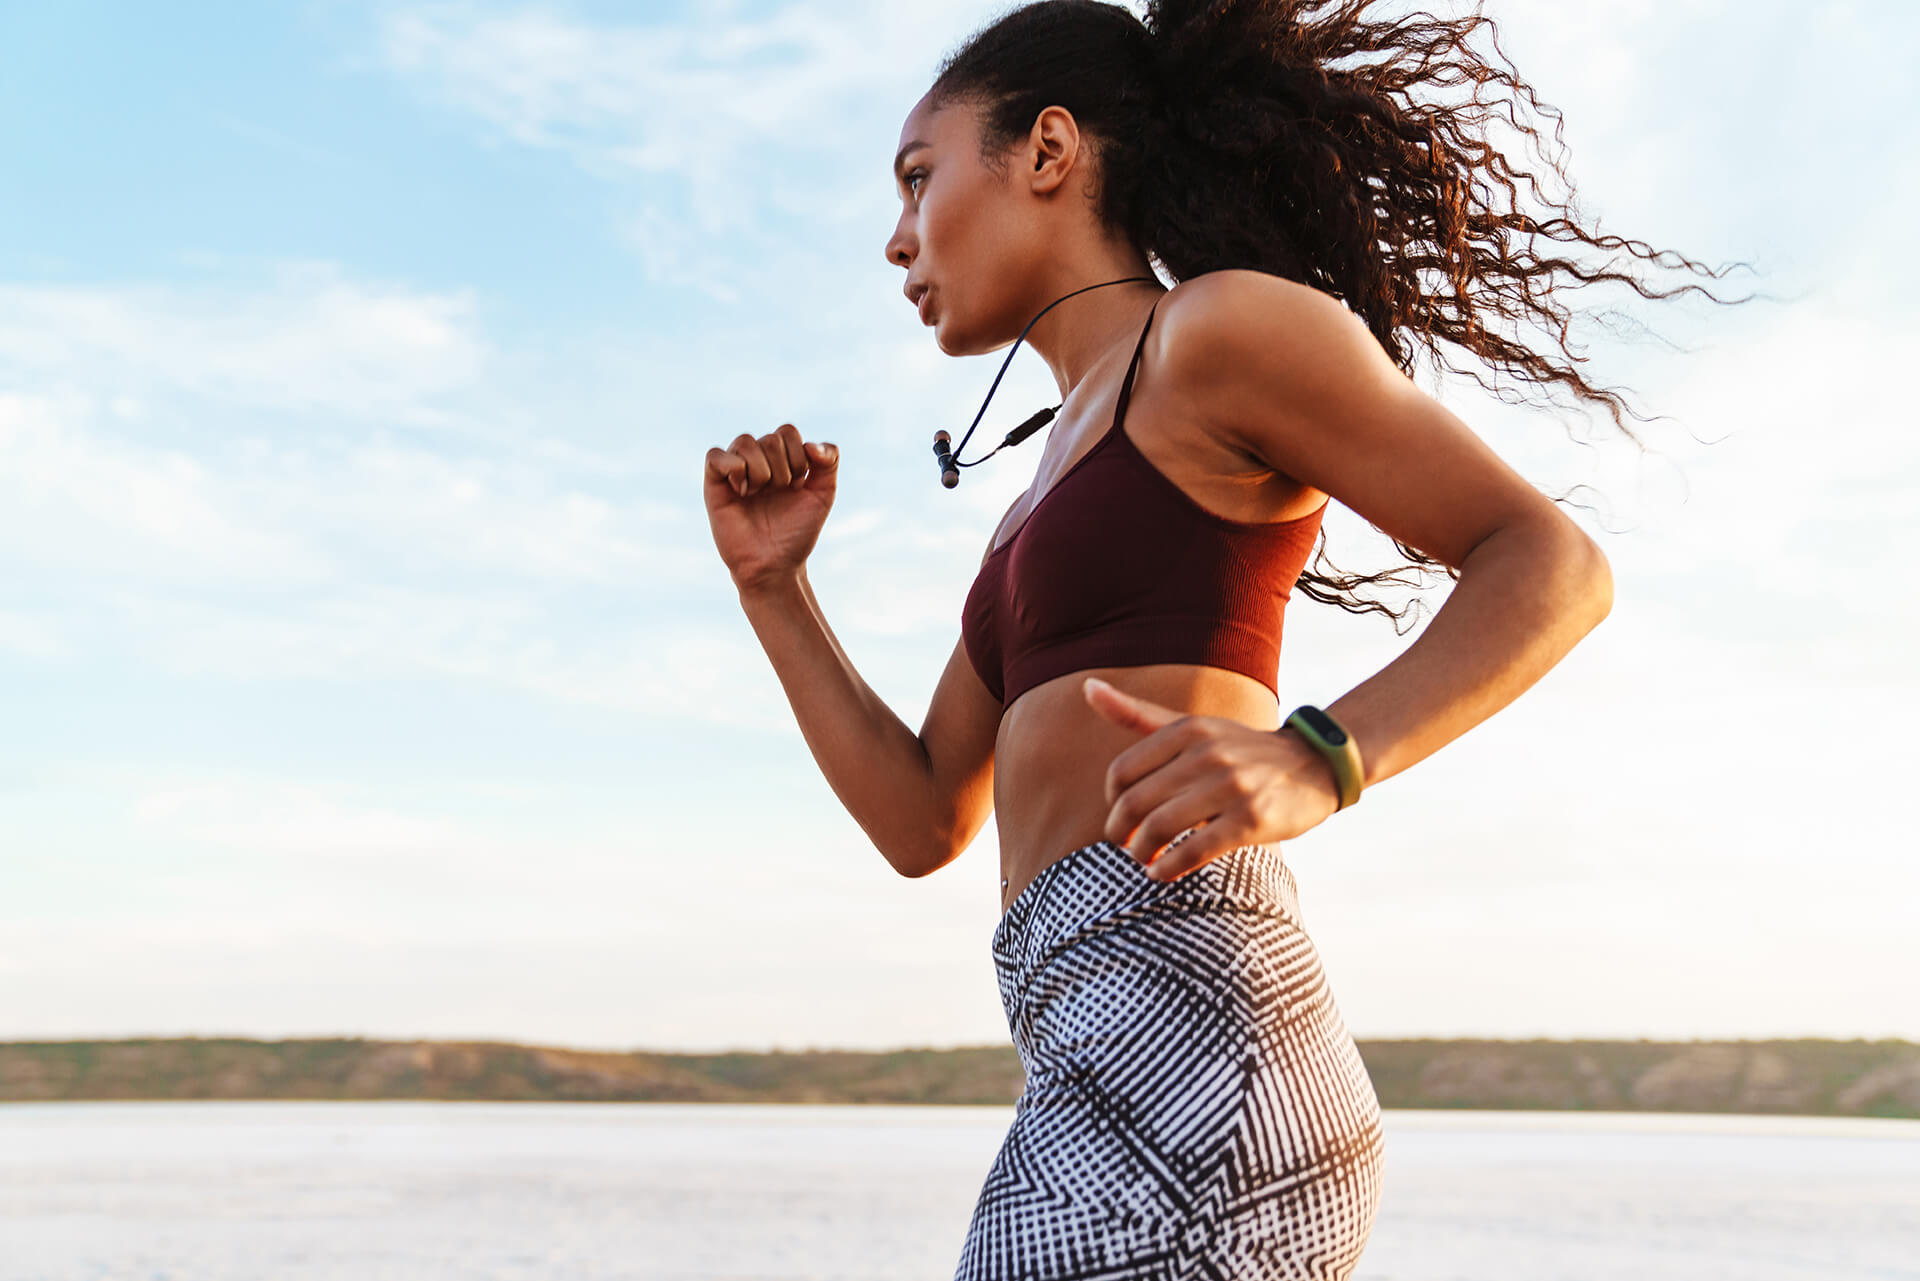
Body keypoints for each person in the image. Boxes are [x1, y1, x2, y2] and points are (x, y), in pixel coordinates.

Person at [702, 2, 1740, 1276]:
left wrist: (1319, 757)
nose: (896, 238)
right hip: (1078, 1044)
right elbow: (923, 820)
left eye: (921, 179)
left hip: (1200, 1037)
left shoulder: (1215, 333)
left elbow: (1552, 562)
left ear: (1049, 152)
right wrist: (775, 589)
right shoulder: (1032, 505)